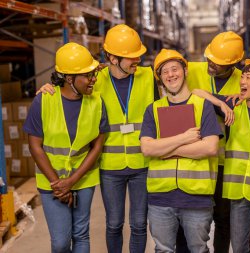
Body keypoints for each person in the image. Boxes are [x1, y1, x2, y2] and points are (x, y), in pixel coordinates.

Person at [36, 24, 157, 253]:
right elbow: (68, 87)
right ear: (112, 58)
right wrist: (49, 87)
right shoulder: (94, 79)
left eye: (137, 56)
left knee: (140, 224)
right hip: (110, 167)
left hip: (143, 164)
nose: (137, 61)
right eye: (131, 57)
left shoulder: (149, 76)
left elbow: (180, 73)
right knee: (113, 224)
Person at [193, 58, 250, 253]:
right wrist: (221, 103)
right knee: (240, 247)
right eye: (242, 76)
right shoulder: (233, 104)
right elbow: (196, 92)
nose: (242, 81)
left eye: (249, 77)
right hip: (238, 191)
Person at [23, 42, 108, 253]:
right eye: (87, 76)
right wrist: (58, 184)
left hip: (83, 178)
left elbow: (97, 146)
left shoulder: (97, 102)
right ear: (69, 79)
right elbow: (35, 146)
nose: (93, 79)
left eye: (93, 74)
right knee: (60, 243)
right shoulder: (44, 101)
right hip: (52, 183)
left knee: (81, 234)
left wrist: (72, 181)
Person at [140, 49, 222, 252]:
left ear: (185, 70)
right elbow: (147, 147)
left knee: (198, 250)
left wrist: (165, 149)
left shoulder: (203, 106)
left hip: (197, 197)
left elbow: (211, 147)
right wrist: (184, 138)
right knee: (163, 250)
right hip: (161, 198)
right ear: (160, 79)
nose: (170, 75)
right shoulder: (153, 109)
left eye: (174, 69)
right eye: (164, 72)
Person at [178, 31, 244, 253]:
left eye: (217, 63)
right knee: (192, 215)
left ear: (233, 64)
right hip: (198, 158)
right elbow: (163, 71)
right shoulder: (193, 69)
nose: (210, 65)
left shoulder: (242, 80)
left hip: (227, 162)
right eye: (209, 58)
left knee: (223, 218)